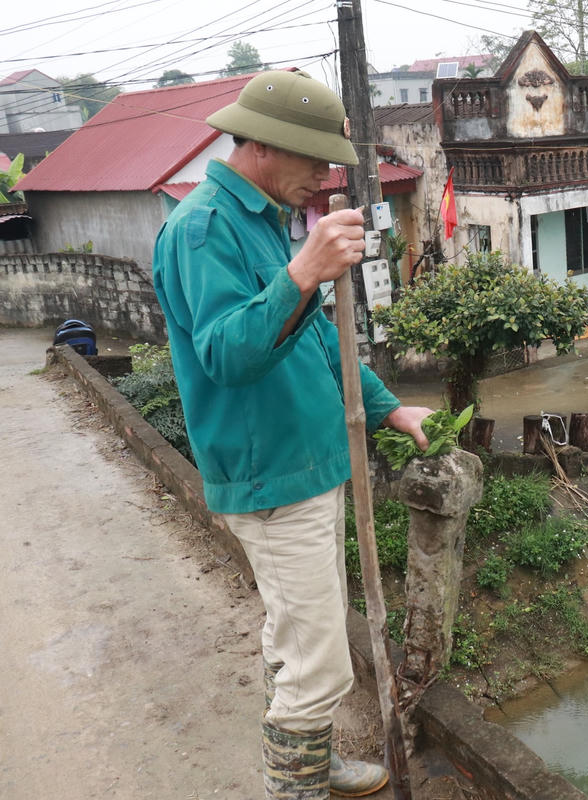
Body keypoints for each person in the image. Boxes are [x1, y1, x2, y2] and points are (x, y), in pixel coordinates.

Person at [153, 70, 432, 799]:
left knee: (295, 638)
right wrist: (303, 272)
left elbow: (312, 343)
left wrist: (387, 408)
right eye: (314, 159)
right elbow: (225, 354)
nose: (324, 175)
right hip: (271, 473)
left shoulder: (265, 217)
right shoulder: (204, 228)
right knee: (321, 665)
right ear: (265, 146)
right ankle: (296, 786)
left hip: (312, 464)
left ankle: (313, 756)